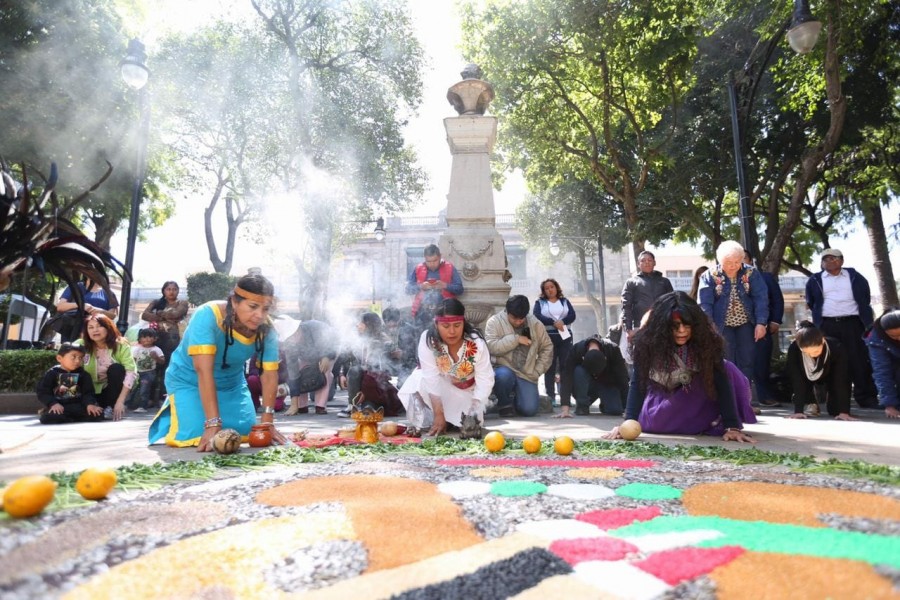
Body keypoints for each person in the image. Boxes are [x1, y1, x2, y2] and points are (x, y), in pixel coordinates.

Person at [148, 274, 287, 450]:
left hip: (232, 386)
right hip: (189, 381)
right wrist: (212, 423)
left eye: (265, 309)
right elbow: (203, 371)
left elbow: (268, 375)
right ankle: (174, 409)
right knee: (195, 435)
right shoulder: (208, 315)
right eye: (253, 306)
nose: (259, 315)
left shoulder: (267, 330)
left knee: (245, 433)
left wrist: (267, 420)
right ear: (234, 302)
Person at [605, 292, 756, 443]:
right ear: (662, 327)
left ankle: (718, 419)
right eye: (675, 326)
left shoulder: (707, 342)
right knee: (660, 420)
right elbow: (638, 384)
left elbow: (722, 382)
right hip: (662, 405)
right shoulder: (647, 344)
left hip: (697, 397)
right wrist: (628, 423)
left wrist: (732, 426)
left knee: (726, 368)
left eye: (687, 325)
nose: (682, 331)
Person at [398, 298, 494, 435]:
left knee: (469, 423)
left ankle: (452, 421)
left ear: (463, 323)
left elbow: (486, 380)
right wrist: (438, 414)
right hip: (438, 395)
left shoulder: (476, 343)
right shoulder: (428, 340)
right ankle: (426, 422)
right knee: (418, 378)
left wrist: (473, 412)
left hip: (468, 398)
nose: (452, 332)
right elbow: (431, 378)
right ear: (436, 324)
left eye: (457, 325)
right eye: (446, 326)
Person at [805, 248, 878, 408]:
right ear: (822, 263)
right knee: (829, 361)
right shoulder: (815, 279)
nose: (830, 261)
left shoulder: (855, 277)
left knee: (859, 360)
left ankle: (866, 397)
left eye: (834, 258)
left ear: (842, 260)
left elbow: (864, 296)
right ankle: (835, 400)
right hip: (827, 325)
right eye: (826, 259)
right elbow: (811, 302)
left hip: (853, 324)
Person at [699, 240, 768, 403]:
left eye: (737, 262)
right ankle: (728, 401)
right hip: (720, 326)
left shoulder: (751, 273)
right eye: (729, 262)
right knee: (725, 361)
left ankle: (745, 400)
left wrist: (761, 323)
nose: (733, 266)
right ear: (720, 260)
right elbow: (704, 304)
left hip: (747, 323)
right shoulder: (709, 276)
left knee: (748, 360)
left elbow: (761, 298)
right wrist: (710, 327)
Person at [485, 295, 553, 417]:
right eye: (514, 318)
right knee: (504, 376)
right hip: (503, 368)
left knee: (529, 410)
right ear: (507, 312)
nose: (518, 322)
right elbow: (491, 347)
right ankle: (504, 404)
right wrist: (515, 340)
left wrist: (537, 371)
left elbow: (547, 348)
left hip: (527, 373)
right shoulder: (494, 322)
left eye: (521, 319)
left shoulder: (536, 324)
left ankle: (514, 401)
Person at [785, 321, 856, 420]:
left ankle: (835, 405)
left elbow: (841, 380)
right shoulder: (794, 349)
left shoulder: (836, 347)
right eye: (807, 353)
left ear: (822, 341)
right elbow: (797, 380)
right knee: (800, 384)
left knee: (835, 410)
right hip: (805, 375)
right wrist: (798, 411)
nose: (813, 355)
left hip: (831, 373)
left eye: (816, 351)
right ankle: (811, 402)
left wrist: (844, 412)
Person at [337, 312, 403, 417]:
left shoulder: (383, 340)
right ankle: (351, 405)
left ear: (368, 324)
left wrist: (396, 354)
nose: (358, 325)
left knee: (369, 410)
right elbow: (345, 358)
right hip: (361, 379)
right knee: (355, 370)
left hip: (375, 383)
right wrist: (341, 374)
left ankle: (363, 405)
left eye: (360, 323)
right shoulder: (356, 339)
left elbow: (383, 367)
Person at [274, 315, 339, 416]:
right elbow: (293, 373)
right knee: (300, 371)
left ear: (297, 329)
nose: (291, 339)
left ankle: (320, 405)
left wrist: (326, 356)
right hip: (307, 357)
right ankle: (301, 405)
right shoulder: (290, 346)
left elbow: (331, 342)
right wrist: (293, 404)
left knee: (324, 371)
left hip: (327, 351)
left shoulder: (315, 328)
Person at [77, 314, 137, 421]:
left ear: (108, 328)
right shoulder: (80, 345)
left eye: (99, 326)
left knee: (116, 369)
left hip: (111, 391)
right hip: (88, 392)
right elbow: (66, 363)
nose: (95, 330)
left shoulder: (121, 345)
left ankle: (112, 406)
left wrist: (120, 401)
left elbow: (131, 372)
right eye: (90, 327)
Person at [744, 251, 784, 406]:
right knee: (741, 364)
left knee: (762, 363)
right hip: (738, 328)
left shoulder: (765, 278)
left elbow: (777, 300)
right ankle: (743, 400)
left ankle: (765, 396)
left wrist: (775, 321)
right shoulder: (727, 279)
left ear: (751, 260)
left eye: (744, 258)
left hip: (762, 326)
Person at [556, 334, 629, 418]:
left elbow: (623, 378)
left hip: (607, 383)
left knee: (615, 410)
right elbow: (566, 378)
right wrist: (565, 409)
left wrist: (627, 408)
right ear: (583, 358)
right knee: (579, 371)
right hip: (587, 386)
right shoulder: (576, 350)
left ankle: (605, 404)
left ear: (605, 358)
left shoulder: (613, 349)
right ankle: (582, 405)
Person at [141, 281, 189, 401]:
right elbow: (145, 315)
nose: (171, 291)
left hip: (173, 338)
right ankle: (149, 398)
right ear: (164, 291)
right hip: (155, 338)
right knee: (153, 366)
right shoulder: (157, 302)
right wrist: (166, 316)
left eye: (174, 289)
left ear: (178, 291)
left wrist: (159, 313)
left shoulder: (182, 303)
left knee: (169, 366)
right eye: (168, 289)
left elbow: (177, 313)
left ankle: (166, 396)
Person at [35, 342, 104, 424]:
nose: (77, 361)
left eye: (81, 358)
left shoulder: (84, 375)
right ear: (59, 358)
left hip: (79, 406)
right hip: (60, 407)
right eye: (73, 357)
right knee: (50, 417)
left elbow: (88, 393)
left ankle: (70, 418)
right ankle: (68, 418)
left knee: (97, 414)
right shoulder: (52, 373)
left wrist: (90, 404)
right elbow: (43, 392)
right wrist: (53, 403)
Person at [532, 278, 576, 403]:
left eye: (552, 287)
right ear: (543, 291)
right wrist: (553, 323)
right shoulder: (540, 302)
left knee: (565, 365)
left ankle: (565, 397)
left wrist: (563, 322)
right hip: (548, 336)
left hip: (565, 336)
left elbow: (572, 315)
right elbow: (537, 316)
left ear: (556, 288)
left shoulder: (565, 301)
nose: (550, 290)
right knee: (549, 366)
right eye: (547, 288)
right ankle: (550, 397)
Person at [406, 244, 464, 330]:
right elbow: (408, 290)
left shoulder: (449, 267)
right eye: (428, 261)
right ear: (424, 258)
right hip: (422, 312)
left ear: (440, 256)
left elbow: (460, 289)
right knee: (422, 338)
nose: (432, 264)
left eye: (435, 260)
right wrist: (421, 286)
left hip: (444, 311)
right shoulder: (418, 268)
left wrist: (445, 285)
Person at [621, 251, 674, 342]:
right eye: (643, 260)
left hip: (662, 328)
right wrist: (628, 330)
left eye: (650, 260)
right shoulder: (631, 282)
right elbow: (626, 306)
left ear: (654, 263)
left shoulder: (665, 282)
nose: (647, 262)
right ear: (638, 264)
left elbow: (672, 304)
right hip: (640, 328)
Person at [54, 280, 119, 342]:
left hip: (96, 334)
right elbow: (60, 307)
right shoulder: (75, 287)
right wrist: (82, 305)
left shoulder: (108, 292)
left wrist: (100, 311)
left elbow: (112, 315)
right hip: (72, 330)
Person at [864, 307, 900, 419]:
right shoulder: (875, 338)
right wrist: (889, 404)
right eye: (893, 336)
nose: (898, 338)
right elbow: (882, 371)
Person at [130, 328, 164, 413]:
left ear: (155, 338)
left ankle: (143, 406)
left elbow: (163, 361)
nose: (147, 339)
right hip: (137, 372)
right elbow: (132, 360)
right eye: (144, 337)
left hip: (149, 372)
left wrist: (156, 357)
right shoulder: (136, 349)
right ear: (139, 339)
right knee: (132, 388)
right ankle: (129, 403)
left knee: (144, 389)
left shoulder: (156, 349)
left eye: (150, 337)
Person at [382, 307, 419, 386]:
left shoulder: (408, 330)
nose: (392, 328)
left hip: (407, 366)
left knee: (403, 385)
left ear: (399, 320)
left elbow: (413, 352)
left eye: (394, 325)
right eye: (389, 325)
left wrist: (402, 354)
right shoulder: (382, 330)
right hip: (391, 366)